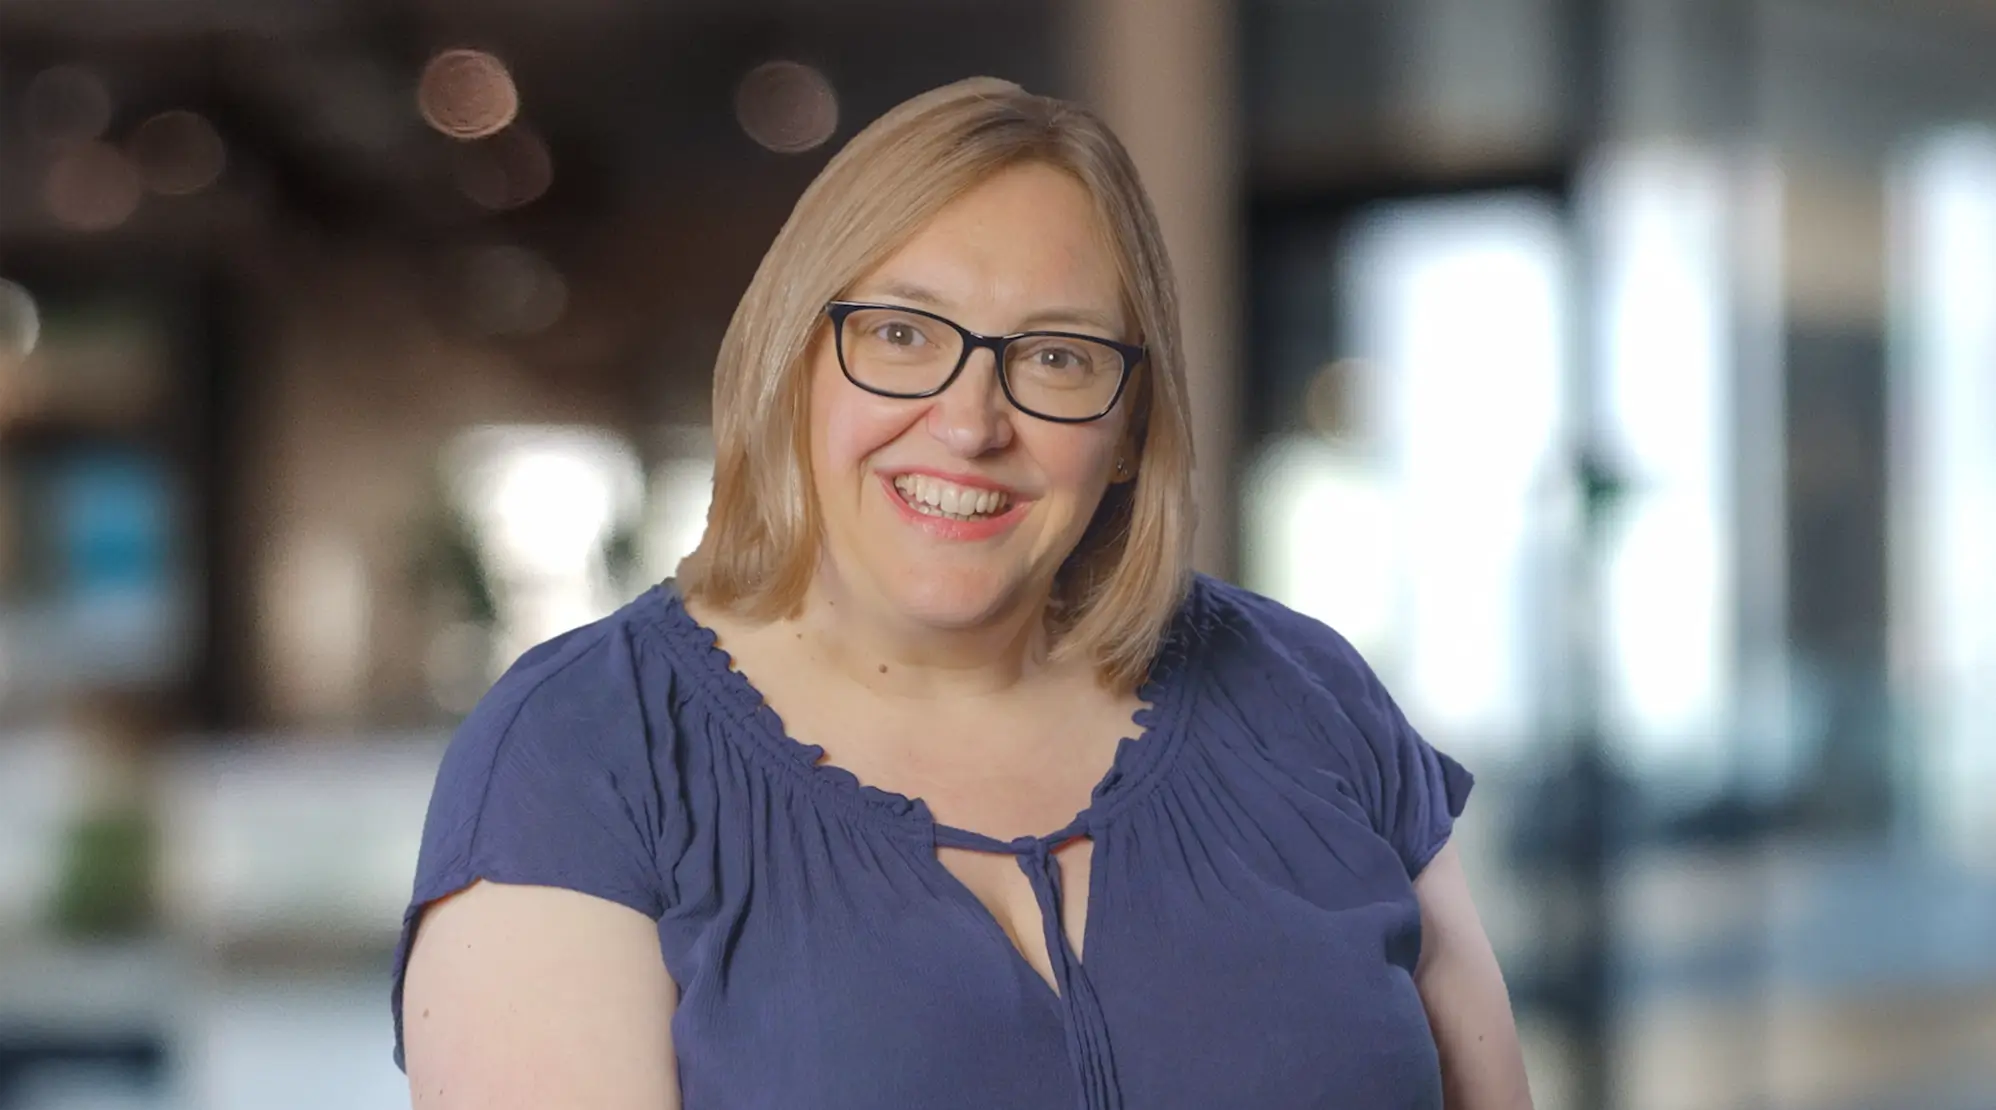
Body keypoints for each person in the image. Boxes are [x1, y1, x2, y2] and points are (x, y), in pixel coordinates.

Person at [393, 76, 1534, 1110]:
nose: (971, 422)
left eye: (1057, 357)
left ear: (1130, 427)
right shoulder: (581, 753)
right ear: (793, 365)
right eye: (900, 333)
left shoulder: (1309, 697)